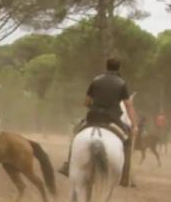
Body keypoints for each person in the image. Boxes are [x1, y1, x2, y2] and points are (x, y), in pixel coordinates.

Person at [57, 58, 138, 186]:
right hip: (113, 119)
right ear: (119, 68)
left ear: (106, 67)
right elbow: (128, 106)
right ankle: (125, 176)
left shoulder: (96, 80)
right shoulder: (121, 83)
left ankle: (68, 165)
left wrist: (95, 105)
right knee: (127, 141)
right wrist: (134, 125)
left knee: (77, 133)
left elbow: (86, 102)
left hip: (93, 116)